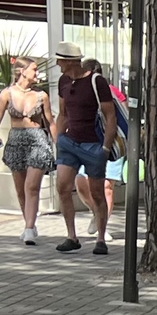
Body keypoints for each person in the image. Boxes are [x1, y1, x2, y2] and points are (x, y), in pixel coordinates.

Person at [51, 44, 118, 254]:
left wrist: (105, 148)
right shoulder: (63, 81)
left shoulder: (96, 81)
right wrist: (58, 139)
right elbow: (63, 113)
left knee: (97, 193)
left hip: (93, 144)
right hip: (69, 143)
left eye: (60, 60)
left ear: (70, 61)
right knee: (62, 186)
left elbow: (110, 115)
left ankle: (100, 238)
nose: (57, 63)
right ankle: (71, 236)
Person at [0, 56, 54, 244]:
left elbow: (50, 122)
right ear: (22, 71)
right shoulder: (7, 94)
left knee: (32, 186)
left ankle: (29, 228)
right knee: (21, 189)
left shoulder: (42, 95)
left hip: (37, 139)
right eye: (34, 69)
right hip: (15, 140)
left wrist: (58, 144)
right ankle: (28, 223)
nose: (37, 73)